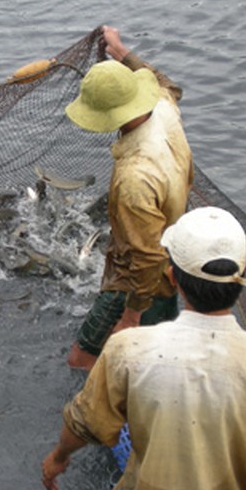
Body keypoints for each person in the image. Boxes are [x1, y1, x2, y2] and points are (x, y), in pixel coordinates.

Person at [41, 206, 246, 490]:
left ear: (172, 277)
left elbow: (86, 422)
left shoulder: (127, 350)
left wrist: (58, 457)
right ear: (245, 268)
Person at [65, 25, 194, 370]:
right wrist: (121, 51)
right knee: (156, 354)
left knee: (81, 361)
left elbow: (147, 259)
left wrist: (130, 318)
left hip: (138, 280)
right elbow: (165, 83)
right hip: (173, 259)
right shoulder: (164, 105)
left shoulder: (134, 178)